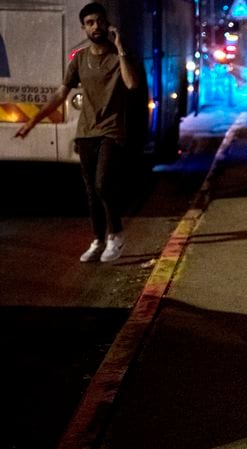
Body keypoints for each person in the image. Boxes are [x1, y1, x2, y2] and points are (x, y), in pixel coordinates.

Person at [15, 2, 139, 263]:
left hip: (111, 131)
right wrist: (33, 121)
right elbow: (62, 93)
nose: (96, 27)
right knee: (91, 191)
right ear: (83, 27)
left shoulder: (120, 58)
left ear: (107, 24)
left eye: (99, 21)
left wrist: (120, 48)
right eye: (90, 23)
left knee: (102, 182)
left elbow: (131, 83)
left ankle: (116, 234)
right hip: (86, 132)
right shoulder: (80, 59)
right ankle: (98, 240)